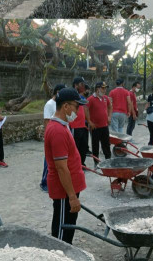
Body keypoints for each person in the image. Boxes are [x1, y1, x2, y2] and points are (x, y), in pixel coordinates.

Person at [44, 87, 87, 244]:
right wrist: (72, 196)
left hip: (69, 189)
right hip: (64, 191)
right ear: (66, 106)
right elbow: (61, 167)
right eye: (77, 106)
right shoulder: (57, 131)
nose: (78, 111)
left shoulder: (62, 126)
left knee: (67, 228)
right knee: (62, 232)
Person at [40, 83, 66, 192]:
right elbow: (47, 121)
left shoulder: (60, 104)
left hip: (58, 136)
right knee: (49, 161)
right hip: (52, 136)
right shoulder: (50, 104)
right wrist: (48, 138)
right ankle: (44, 182)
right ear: (58, 92)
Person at [86, 82, 112, 164]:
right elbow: (85, 109)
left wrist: (109, 117)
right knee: (95, 145)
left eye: (105, 88)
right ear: (97, 89)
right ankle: (96, 162)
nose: (105, 90)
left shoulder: (105, 98)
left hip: (104, 125)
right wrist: (89, 121)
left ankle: (108, 160)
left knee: (106, 144)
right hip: (95, 127)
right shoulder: (90, 99)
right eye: (103, 88)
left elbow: (110, 106)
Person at [69, 78, 89, 167]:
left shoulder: (80, 96)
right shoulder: (71, 95)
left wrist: (87, 122)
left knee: (83, 147)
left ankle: (81, 163)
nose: (83, 86)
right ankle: (75, 165)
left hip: (83, 126)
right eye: (81, 84)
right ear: (76, 85)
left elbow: (84, 109)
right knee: (75, 147)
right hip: (74, 126)